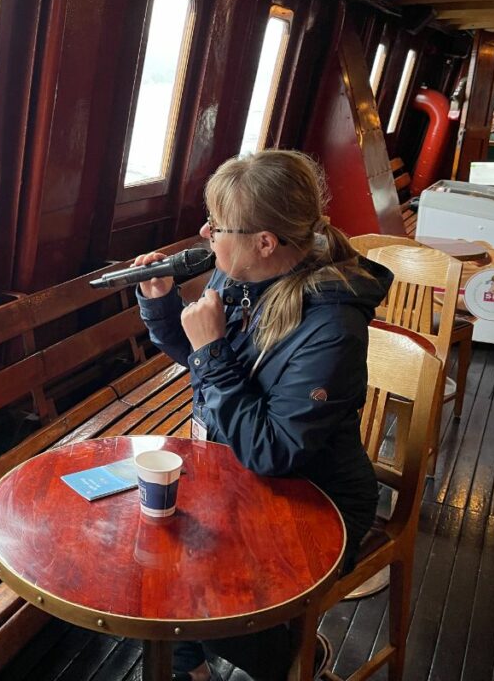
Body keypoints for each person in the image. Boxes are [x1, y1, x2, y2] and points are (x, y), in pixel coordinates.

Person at [134, 151, 393, 681]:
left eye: (217, 224)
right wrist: (162, 306)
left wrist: (210, 352)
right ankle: (191, 671)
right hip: (237, 476)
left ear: (265, 242)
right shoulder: (237, 278)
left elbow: (273, 451)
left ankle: (296, 660)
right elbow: (207, 365)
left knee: (193, 590)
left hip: (313, 499)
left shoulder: (333, 327)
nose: (205, 232)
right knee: (153, 566)